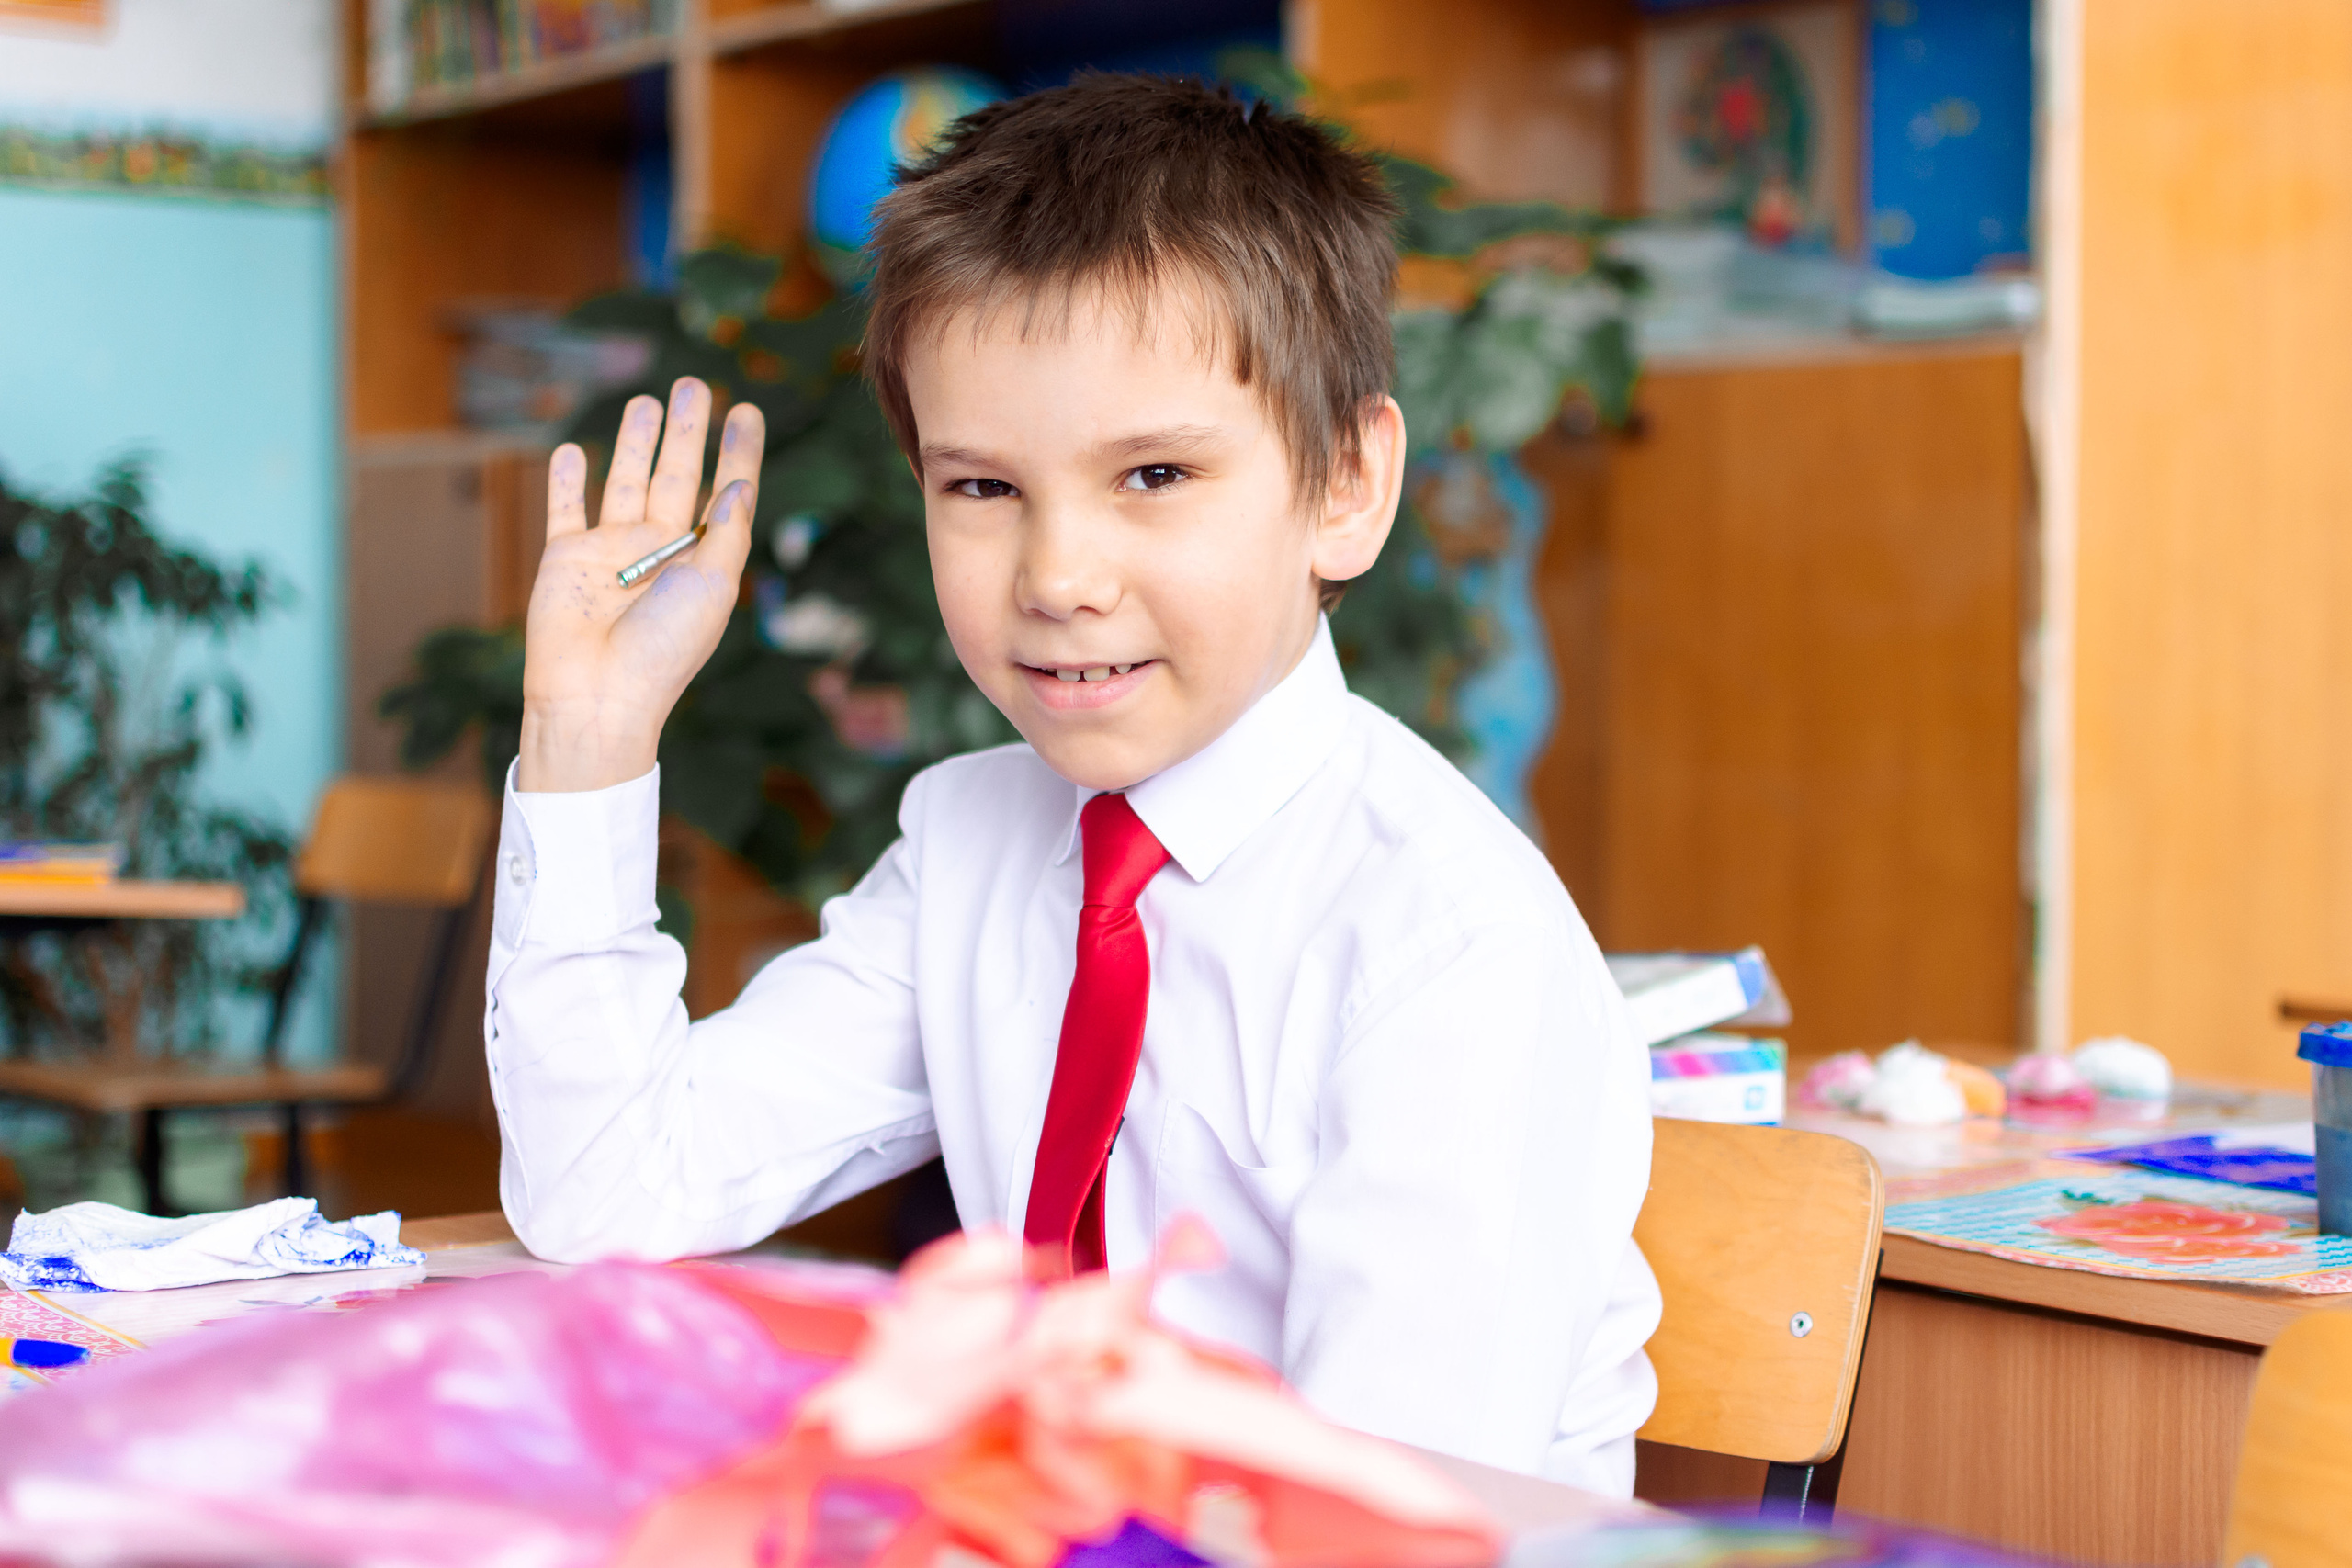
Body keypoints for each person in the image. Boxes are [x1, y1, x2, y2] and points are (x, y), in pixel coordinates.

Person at [486, 73, 1659, 1495]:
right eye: (983, 488)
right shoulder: (975, 841)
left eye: (1153, 475)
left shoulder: (1446, 951)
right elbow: (607, 1192)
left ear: (1346, 485)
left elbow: (1371, 1522)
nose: (1057, 579)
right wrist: (590, 734)